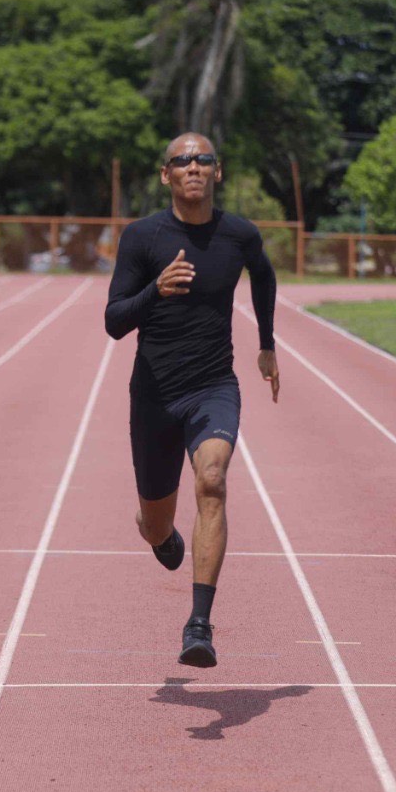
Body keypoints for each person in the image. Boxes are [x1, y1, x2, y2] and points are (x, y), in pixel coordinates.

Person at [104, 132, 279, 668]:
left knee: (213, 480)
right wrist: (155, 289)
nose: (193, 167)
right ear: (166, 175)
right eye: (182, 161)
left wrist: (267, 345)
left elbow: (265, 278)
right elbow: (113, 322)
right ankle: (155, 531)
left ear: (217, 171)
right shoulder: (142, 237)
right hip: (154, 395)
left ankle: (198, 625)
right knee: (157, 523)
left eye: (203, 159)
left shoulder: (239, 235)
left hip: (213, 387)